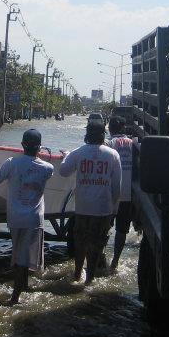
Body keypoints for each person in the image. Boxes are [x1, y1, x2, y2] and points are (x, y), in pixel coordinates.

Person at [0, 129, 54, 305]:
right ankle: (16, 297)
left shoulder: (12, 163)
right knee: (24, 258)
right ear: (40, 148)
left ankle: (19, 292)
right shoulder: (48, 168)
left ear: (22, 145)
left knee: (19, 256)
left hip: (15, 218)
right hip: (33, 220)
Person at [58, 121, 121, 285]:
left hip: (82, 208)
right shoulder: (113, 154)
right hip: (102, 209)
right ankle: (90, 279)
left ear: (87, 135)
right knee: (97, 244)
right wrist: (113, 209)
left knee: (80, 243)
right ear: (103, 135)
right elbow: (117, 188)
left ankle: (77, 274)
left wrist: (66, 156)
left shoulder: (78, 153)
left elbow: (63, 171)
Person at [107, 116, 138, 272]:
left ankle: (100, 259)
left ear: (110, 129)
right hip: (128, 194)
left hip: (110, 194)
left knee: (105, 227)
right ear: (124, 129)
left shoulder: (109, 143)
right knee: (122, 230)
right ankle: (115, 263)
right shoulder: (134, 144)